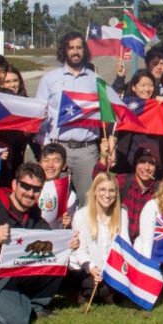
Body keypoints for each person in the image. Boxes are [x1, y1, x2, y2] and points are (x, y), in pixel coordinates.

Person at [0, 163, 70, 323]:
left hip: (15, 273)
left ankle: (34, 305)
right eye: (26, 186)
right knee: (20, 319)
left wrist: (67, 243)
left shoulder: (33, 212)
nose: (30, 193)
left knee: (59, 259)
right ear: (14, 184)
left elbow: (48, 237)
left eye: (36, 189)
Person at [36, 33, 102, 204]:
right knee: (54, 200)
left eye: (79, 47)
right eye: (71, 47)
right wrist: (45, 146)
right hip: (57, 147)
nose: (75, 52)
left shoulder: (96, 81)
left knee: (88, 202)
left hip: (86, 151)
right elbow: (39, 115)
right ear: (64, 51)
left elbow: (105, 114)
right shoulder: (49, 79)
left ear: (84, 51)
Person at [70, 172, 131, 305]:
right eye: (102, 190)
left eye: (111, 190)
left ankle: (106, 292)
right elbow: (80, 251)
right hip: (88, 269)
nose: (107, 195)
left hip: (111, 269)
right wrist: (91, 268)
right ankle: (95, 292)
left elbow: (125, 245)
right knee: (89, 283)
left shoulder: (122, 213)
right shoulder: (81, 215)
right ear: (95, 192)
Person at [96, 146, 159, 240]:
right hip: (120, 241)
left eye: (151, 163)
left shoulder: (161, 190)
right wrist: (103, 157)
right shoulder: (123, 181)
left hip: (146, 244)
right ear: (135, 164)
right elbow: (99, 181)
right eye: (142, 162)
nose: (146, 167)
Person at [0, 66, 35, 188]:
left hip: (19, 158)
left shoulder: (28, 104)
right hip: (0, 159)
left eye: (15, 80)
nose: (12, 85)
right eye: (7, 81)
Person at [38, 143, 77, 230]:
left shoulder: (68, 193)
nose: (50, 165)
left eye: (56, 161)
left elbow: (74, 226)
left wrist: (69, 224)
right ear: (40, 163)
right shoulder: (32, 188)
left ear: (64, 166)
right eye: (46, 160)